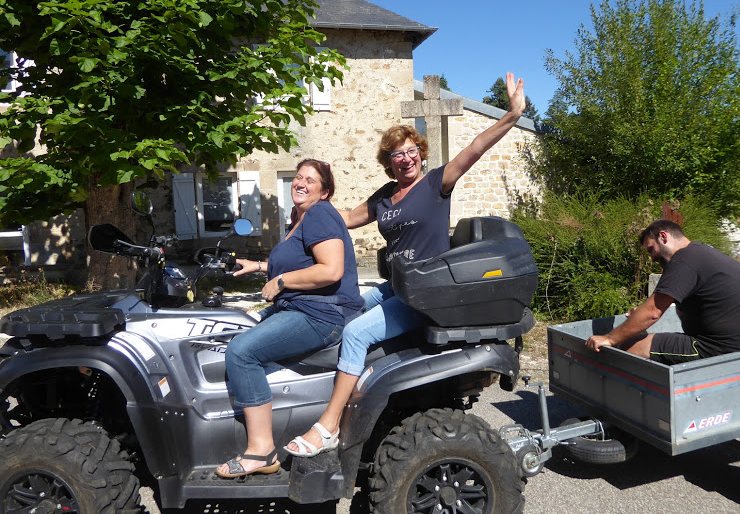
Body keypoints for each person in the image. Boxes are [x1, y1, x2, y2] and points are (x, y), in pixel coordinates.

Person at [285, 72, 526, 456]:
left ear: (420, 152)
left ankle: (329, 425)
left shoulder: (435, 184)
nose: (406, 158)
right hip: (396, 288)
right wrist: (311, 202)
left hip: (426, 293)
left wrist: (511, 115)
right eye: (397, 154)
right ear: (389, 162)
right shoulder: (385, 196)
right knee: (344, 309)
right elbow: (347, 218)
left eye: (411, 149)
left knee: (356, 333)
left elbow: (474, 148)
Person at [216, 159, 364, 477]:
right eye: (298, 177)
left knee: (241, 352)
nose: (301, 183)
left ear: (324, 192)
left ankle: (261, 451)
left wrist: (282, 282)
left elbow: (331, 270)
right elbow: (297, 262)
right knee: (230, 325)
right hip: (299, 307)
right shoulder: (299, 219)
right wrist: (258, 267)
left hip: (321, 314)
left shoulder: (320, 214)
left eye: (310, 180)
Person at [585, 219, 740, 364]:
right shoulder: (701, 253)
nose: (652, 258)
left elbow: (652, 312)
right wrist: (639, 316)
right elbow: (661, 305)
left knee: (631, 346)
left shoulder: (684, 261)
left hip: (723, 347)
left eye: (651, 250)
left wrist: (609, 338)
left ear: (663, 237)